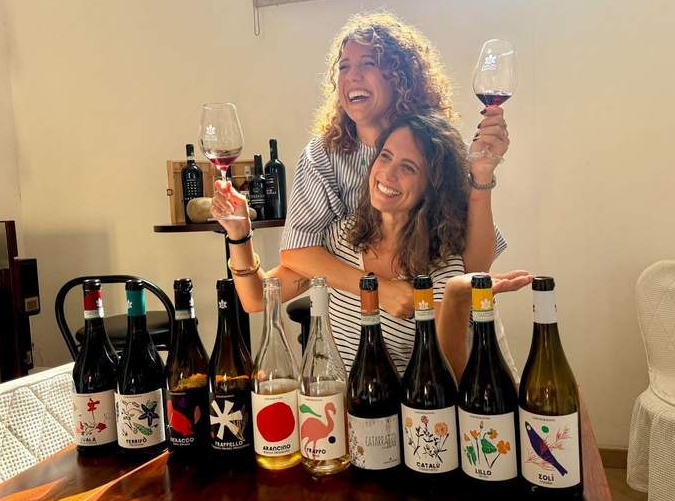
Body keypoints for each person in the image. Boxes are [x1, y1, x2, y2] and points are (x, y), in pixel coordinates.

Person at [212, 114, 531, 377]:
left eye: (408, 167)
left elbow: (454, 373)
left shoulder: (445, 260)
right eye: (386, 156)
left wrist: (442, 305)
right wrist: (240, 234)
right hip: (350, 425)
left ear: (432, 186)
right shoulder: (340, 240)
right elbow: (256, 298)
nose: (388, 174)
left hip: (417, 429)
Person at [278, 12, 510, 319]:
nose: (352, 76)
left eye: (368, 64)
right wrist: (380, 290)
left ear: (402, 76)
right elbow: (297, 251)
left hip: (435, 329)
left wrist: (482, 175)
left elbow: (475, 264)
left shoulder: (433, 144)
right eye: (344, 66)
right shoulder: (321, 156)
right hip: (358, 331)